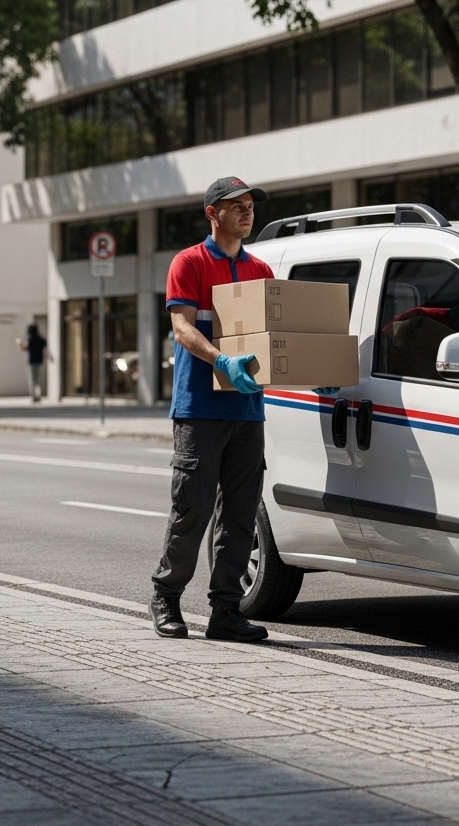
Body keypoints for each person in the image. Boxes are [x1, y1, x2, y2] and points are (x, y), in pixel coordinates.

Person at [149, 176, 274, 644]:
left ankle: (226, 610)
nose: (246, 212)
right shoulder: (190, 263)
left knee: (240, 515)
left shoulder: (261, 269)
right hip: (199, 408)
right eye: (236, 205)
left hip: (247, 410)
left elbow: (271, 339)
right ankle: (166, 596)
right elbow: (181, 328)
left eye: (249, 206)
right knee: (193, 509)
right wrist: (220, 359)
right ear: (212, 213)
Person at [19, 323, 47, 402]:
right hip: (39, 361)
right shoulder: (41, 339)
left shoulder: (31, 339)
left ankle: (33, 396)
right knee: (38, 379)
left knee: (32, 379)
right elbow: (46, 347)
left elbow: (24, 348)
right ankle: (39, 395)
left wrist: (19, 343)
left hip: (32, 361)